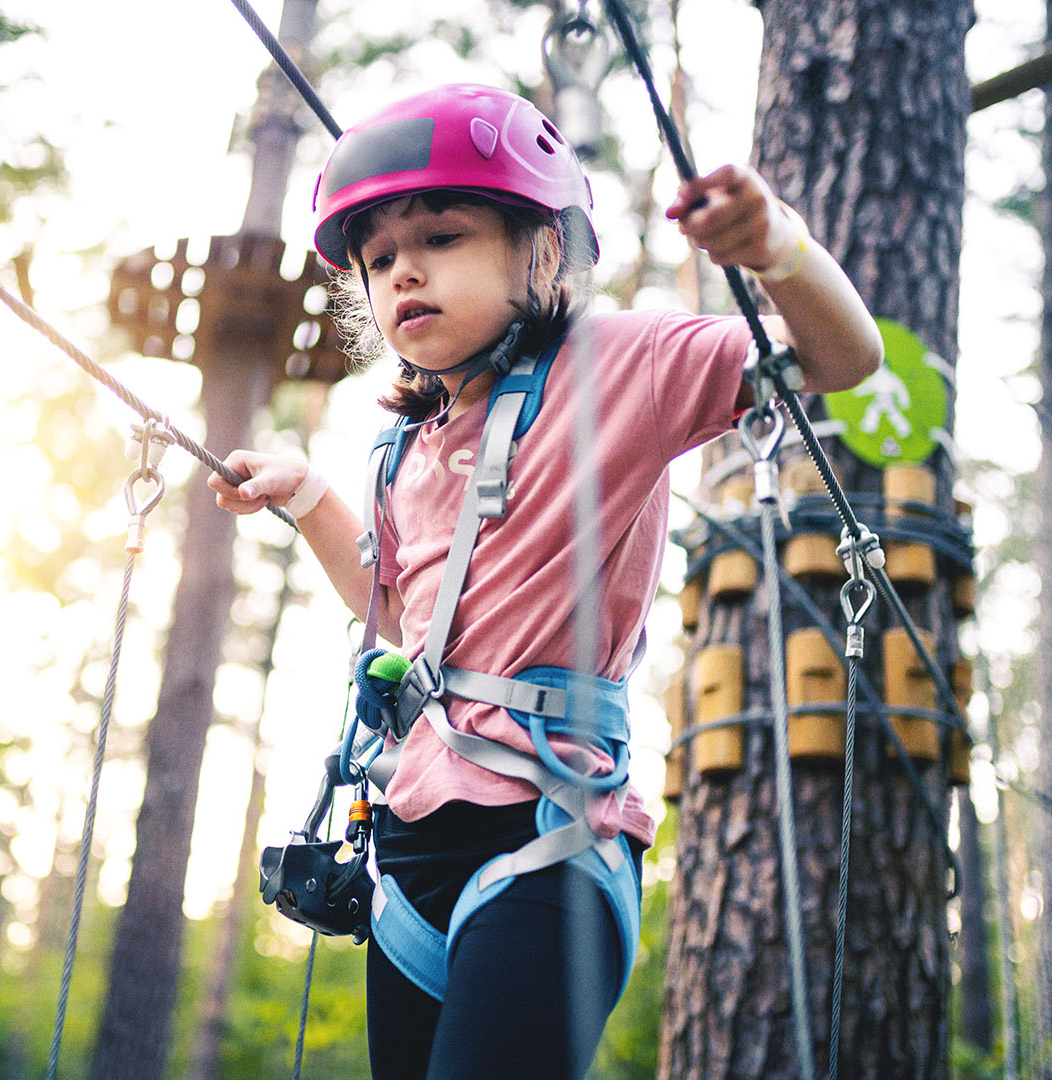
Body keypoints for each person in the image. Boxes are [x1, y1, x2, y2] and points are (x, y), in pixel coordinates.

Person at [209, 83, 881, 1079]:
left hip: (550, 842)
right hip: (410, 863)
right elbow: (404, 624)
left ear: (542, 249)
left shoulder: (618, 366)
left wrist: (774, 248)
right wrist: (309, 495)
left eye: (439, 236)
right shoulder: (405, 447)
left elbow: (844, 358)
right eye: (380, 259)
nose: (403, 275)